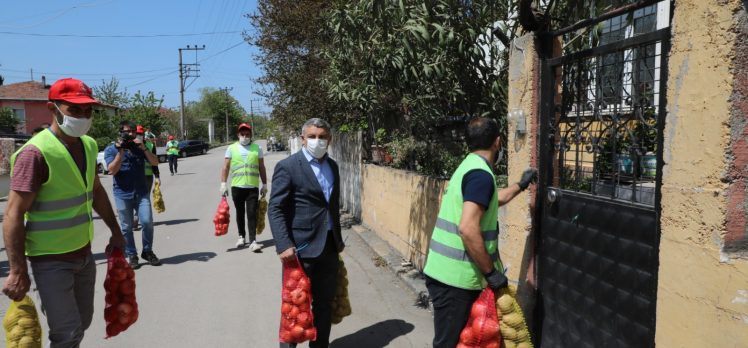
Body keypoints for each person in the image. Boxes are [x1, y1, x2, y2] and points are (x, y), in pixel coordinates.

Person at [1, 77, 126, 347]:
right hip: (50, 261)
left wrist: (116, 231)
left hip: (83, 254)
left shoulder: (89, 145)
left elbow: (96, 192)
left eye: (88, 110)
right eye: (74, 110)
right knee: (67, 332)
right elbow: (12, 215)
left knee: (82, 324)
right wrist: (17, 270)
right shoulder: (34, 154)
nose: (83, 116)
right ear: (53, 108)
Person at [422, 117, 537, 348]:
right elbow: (467, 228)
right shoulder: (480, 175)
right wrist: (491, 272)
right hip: (455, 279)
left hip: (447, 274)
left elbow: (493, 198)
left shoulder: (470, 167)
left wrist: (520, 185)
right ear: (498, 142)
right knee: (449, 343)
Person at [269, 118, 344, 348]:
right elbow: (276, 208)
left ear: (329, 139)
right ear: (303, 139)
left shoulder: (333, 167)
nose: (317, 141)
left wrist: (338, 239)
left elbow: (331, 206)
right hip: (299, 249)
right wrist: (283, 244)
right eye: (312, 136)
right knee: (294, 310)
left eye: (322, 137)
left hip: (329, 247)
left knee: (324, 305)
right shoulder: (289, 167)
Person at [105, 121, 162, 269]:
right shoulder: (111, 149)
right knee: (126, 227)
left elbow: (155, 162)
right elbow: (112, 170)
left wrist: (143, 148)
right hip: (122, 194)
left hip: (141, 192)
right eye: (127, 131)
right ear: (120, 133)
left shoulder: (140, 148)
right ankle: (132, 254)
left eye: (133, 131)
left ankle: (147, 251)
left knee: (147, 221)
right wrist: (121, 152)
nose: (131, 134)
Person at [220, 123, 268, 250]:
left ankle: (253, 241)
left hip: (252, 187)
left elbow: (261, 167)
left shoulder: (257, 148)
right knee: (239, 213)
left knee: (252, 213)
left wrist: (264, 184)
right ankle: (241, 236)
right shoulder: (231, 148)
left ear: (251, 135)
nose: (245, 137)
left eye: (247, 134)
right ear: (238, 135)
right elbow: (225, 167)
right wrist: (223, 184)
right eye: (242, 134)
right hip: (237, 187)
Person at [132, 126, 161, 231]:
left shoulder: (150, 145)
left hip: (148, 176)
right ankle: (137, 219)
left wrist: (157, 176)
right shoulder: (130, 145)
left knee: (145, 198)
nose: (139, 135)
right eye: (137, 133)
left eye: (141, 133)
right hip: (134, 176)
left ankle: (142, 220)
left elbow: (154, 162)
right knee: (135, 198)